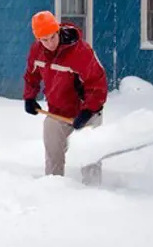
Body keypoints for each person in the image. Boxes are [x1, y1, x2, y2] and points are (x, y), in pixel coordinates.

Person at [22, 10, 108, 185]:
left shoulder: (80, 52)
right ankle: (53, 187)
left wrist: (88, 111)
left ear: (58, 30)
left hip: (87, 112)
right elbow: (31, 76)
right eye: (43, 40)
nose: (49, 43)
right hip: (58, 112)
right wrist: (29, 97)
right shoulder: (37, 51)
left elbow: (97, 83)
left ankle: (94, 193)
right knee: (52, 149)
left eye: (52, 37)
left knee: (90, 155)